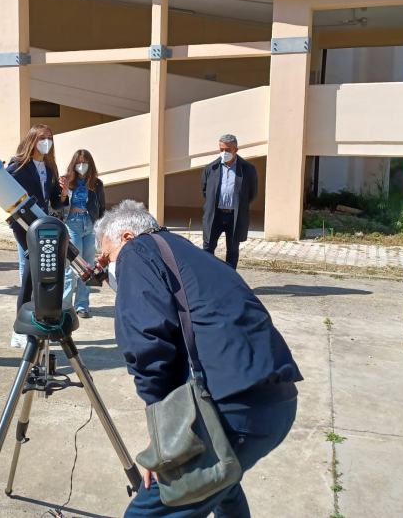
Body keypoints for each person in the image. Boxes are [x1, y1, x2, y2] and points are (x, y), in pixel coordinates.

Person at [95, 200, 301, 516]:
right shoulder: (182, 251)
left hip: (235, 408)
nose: (107, 266)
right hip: (275, 399)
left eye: (106, 256)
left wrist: (166, 443)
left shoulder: (136, 252)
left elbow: (146, 342)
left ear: (125, 236)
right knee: (223, 485)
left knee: (150, 511)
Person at [7, 125, 65, 347]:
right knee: (31, 274)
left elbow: (55, 201)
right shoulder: (18, 165)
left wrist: (64, 193)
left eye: (50, 138)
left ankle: (41, 321)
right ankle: (19, 329)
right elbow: (4, 190)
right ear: (32, 140)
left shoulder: (50, 167)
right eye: (42, 138)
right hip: (24, 225)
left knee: (42, 273)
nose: (47, 142)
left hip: (43, 224)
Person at [58, 148, 106, 318]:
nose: (82, 166)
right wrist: (63, 193)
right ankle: (64, 306)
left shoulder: (96, 183)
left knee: (88, 268)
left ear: (90, 164)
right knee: (72, 266)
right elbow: (58, 204)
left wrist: (101, 228)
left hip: (90, 224)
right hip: (73, 223)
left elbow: (101, 207)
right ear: (74, 164)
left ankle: (82, 306)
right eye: (78, 163)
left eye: (85, 163)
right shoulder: (66, 181)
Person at [201, 134, 258, 269]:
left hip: (234, 216)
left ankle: (230, 281)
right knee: (207, 248)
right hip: (215, 215)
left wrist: (237, 205)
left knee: (232, 250)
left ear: (235, 150)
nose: (224, 153)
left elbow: (252, 194)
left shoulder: (248, 169)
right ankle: (208, 280)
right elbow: (205, 191)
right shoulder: (211, 168)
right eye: (221, 150)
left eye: (228, 150)